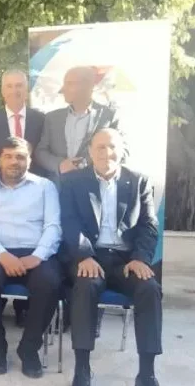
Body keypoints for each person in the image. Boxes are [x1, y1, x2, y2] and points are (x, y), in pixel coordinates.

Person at [61, 129, 161, 386]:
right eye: (101, 147)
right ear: (90, 151)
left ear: (122, 150)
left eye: (113, 146)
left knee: (149, 288)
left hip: (127, 260)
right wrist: (84, 255)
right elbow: (69, 222)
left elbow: (149, 225)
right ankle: (82, 369)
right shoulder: (72, 181)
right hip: (90, 257)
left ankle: (147, 372)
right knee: (85, 286)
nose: (107, 153)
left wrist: (140, 258)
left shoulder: (138, 181)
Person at [0, 137, 61, 378]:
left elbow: (53, 226)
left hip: (35, 251)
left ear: (29, 161)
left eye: (20, 157)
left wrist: (38, 255)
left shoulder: (45, 187)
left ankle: (29, 348)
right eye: (9, 156)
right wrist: (3, 255)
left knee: (50, 282)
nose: (14, 161)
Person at [35, 66, 127, 182]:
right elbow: (41, 152)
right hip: (59, 185)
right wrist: (60, 165)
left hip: (95, 185)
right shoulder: (52, 118)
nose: (62, 89)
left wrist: (85, 164)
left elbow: (124, 151)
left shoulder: (110, 116)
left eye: (69, 83)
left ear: (88, 86)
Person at [0, 69, 46, 184]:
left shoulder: (41, 120)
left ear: (26, 90)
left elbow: (44, 155)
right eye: (9, 86)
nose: (14, 90)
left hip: (35, 186)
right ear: (2, 91)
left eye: (19, 86)